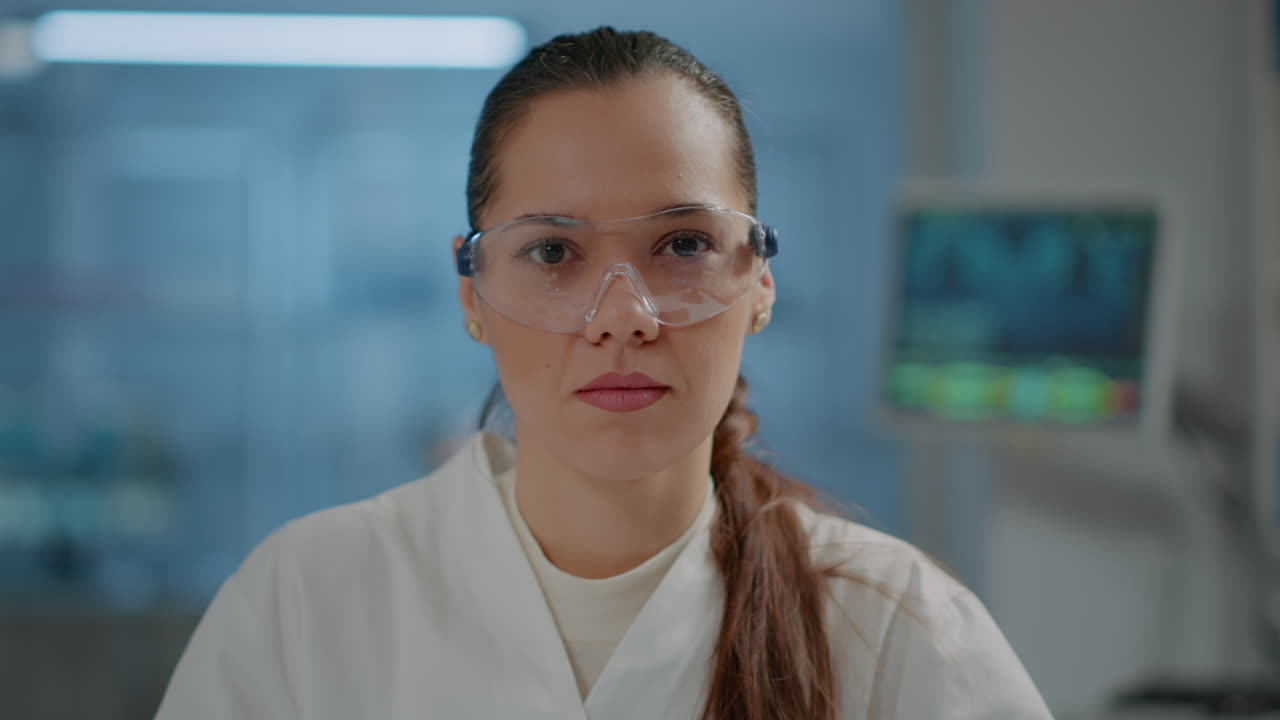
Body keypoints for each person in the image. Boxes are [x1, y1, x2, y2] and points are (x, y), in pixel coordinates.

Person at [155, 27, 1053, 720]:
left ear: (761, 282)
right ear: (471, 292)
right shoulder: (308, 601)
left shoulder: (896, 624)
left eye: (684, 245)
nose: (623, 314)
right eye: (553, 251)